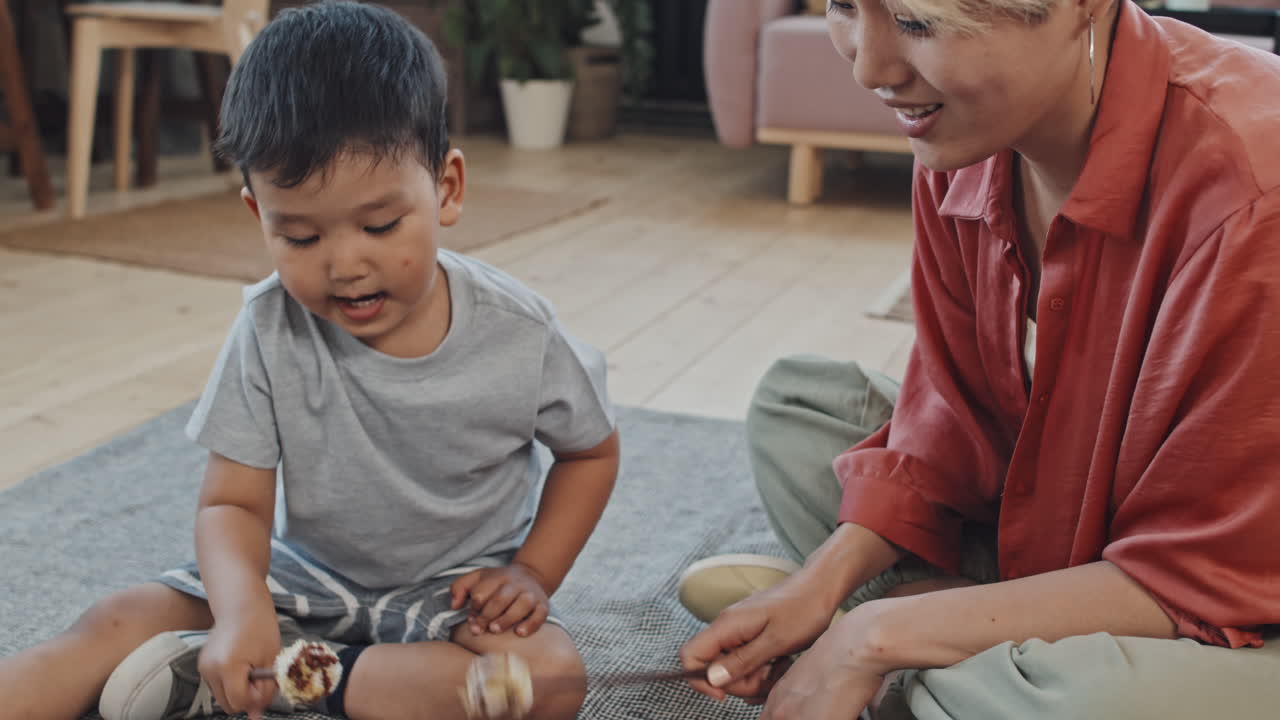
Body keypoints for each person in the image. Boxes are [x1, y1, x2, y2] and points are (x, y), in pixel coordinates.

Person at [0, 4, 619, 720]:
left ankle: (309, 679)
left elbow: (591, 453)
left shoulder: (522, 332)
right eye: (297, 236)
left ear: (447, 188)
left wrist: (533, 573)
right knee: (117, 617)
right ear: (257, 215)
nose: (345, 265)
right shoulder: (268, 325)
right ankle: (258, 659)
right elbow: (233, 501)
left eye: (381, 225)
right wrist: (240, 610)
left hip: (452, 594)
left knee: (550, 681)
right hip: (303, 577)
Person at [677, 0, 1280, 718]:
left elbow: (1206, 571)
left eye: (917, 23)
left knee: (1069, 703)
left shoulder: (1253, 194)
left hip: (1240, 604)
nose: (870, 68)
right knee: (797, 404)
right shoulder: (965, 130)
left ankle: (927, 641)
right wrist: (823, 581)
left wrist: (870, 636)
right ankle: (946, 632)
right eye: (842, 5)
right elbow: (950, 424)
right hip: (1075, 528)